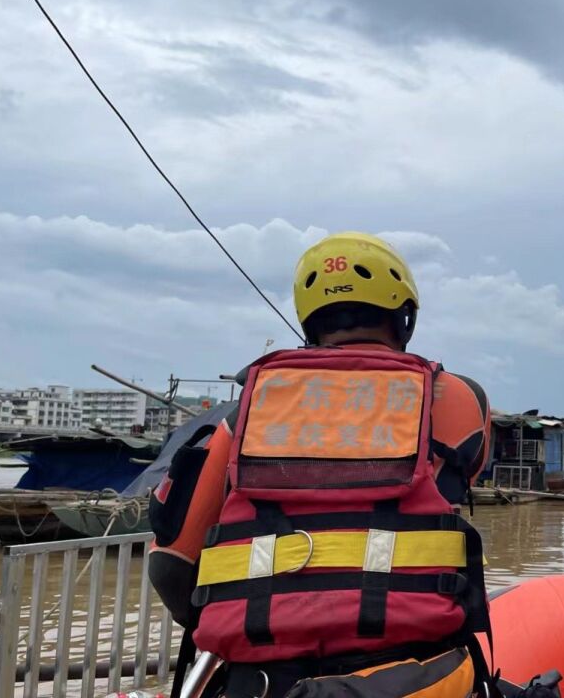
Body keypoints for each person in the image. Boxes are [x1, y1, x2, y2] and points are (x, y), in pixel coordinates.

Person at [148, 232, 501, 698]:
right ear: (405, 317)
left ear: (310, 323)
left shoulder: (245, 417)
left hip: (261, 682)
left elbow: (171, 565)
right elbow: (466, 473)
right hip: (421, 677)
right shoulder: (457, 399)